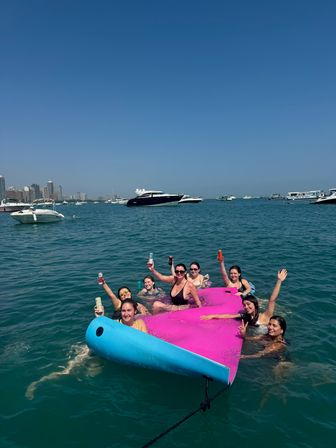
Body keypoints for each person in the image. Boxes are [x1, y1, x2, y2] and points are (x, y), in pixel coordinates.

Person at [201, 269, 288, 333]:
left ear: (255, 304)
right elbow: (229, 316)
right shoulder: (245, 316)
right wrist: (212, 316)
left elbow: (272, 300)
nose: (246, 307)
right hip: (260, 340)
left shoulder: (265, 316)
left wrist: (279, 281)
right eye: (244, 305)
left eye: (248, 304)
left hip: (272, 340)